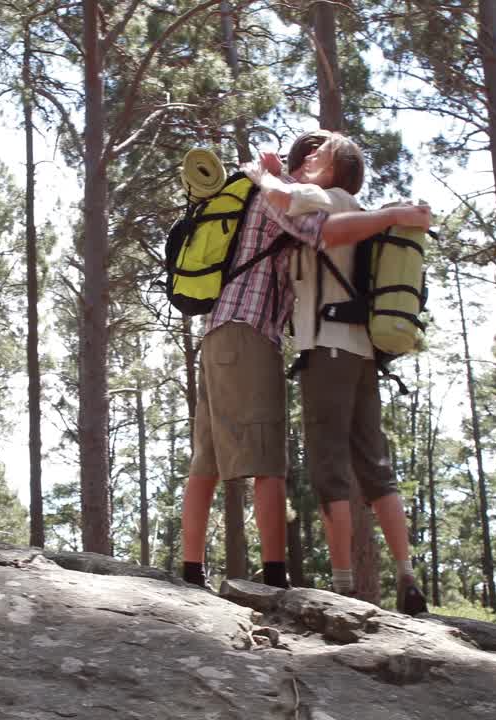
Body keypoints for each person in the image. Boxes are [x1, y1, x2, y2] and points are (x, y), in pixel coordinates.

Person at [180, 130, 431, 594]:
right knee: (269, 458)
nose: (310, 156)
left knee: (209, 458)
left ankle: (190, 572)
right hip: (249, 328)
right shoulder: (283, 195)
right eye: (307, 153)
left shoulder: (284, 189)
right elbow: (323, 232)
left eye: (321, 152)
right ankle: (276, 578)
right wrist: (393, 215)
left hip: (224, 328)